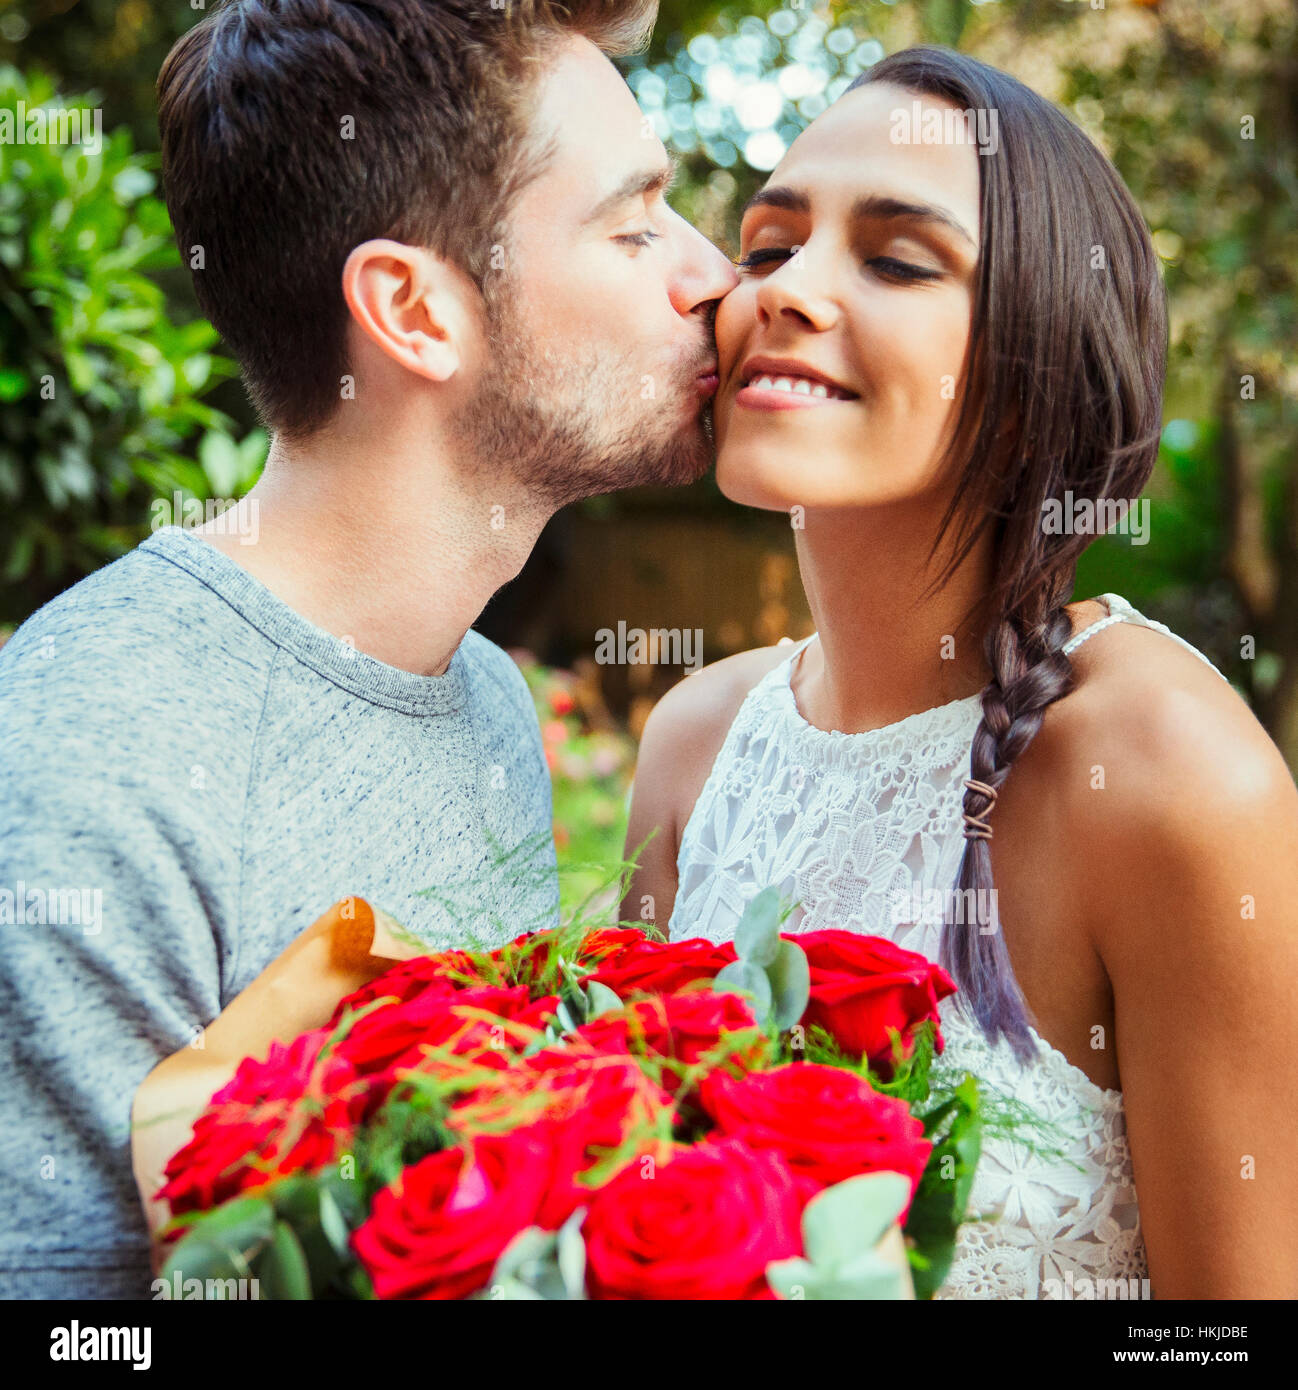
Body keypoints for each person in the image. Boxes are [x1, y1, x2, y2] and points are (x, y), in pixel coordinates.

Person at [0, 0, 734, 1298]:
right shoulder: (84, 757)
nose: (710, 275)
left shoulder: (489, 701)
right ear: (411, 308)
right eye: (633, 225)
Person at [624, 46, 1298, 1299]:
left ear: (1034, 372)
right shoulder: (691, 746)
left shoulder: (1168, 777)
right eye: (766, 247)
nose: (785, 291)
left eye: (892, 259)